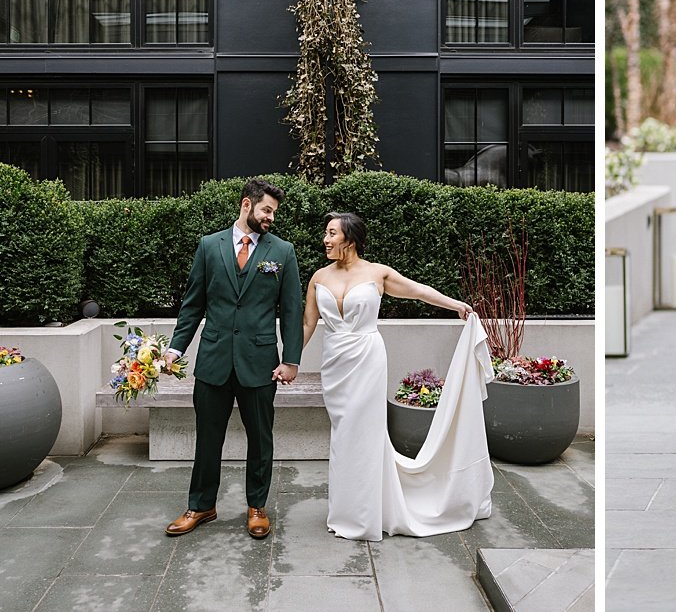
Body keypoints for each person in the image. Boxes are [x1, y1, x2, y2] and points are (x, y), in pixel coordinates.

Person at [303, 211, 494, 541]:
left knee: (365, 433)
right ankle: (349, 510)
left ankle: (365, 514)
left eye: (331, 233)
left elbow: (419, 291)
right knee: (343, 434)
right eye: (326, 233)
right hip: (335, 364)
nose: (325, 239)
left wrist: (456, 306)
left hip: (367, 359)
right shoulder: (319, 277)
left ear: (349, 239)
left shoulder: (379, 273)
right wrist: (286, 361)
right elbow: (307, 324)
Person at [164, 178, 304, 539]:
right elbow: (193, 303)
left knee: (261, 438)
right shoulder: (210, 245)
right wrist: (176, 347)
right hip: (213, 359)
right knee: (207, 438)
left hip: (259, 362)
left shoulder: (282, 252)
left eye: (274, 212)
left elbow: (291, 311)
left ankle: (257, 506)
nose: (271, 217)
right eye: (266, 210)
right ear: (246, 205)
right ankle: (201, 505)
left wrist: (291, 359)